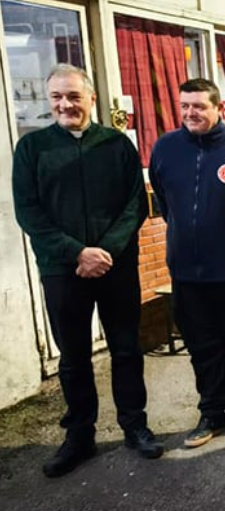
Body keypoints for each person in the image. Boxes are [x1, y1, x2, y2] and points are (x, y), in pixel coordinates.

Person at [12, 63, 163, 477]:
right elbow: (28, 211)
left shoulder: (117, 145)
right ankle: (79, 435)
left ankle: (135, 426)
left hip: (116, 266)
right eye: (57, 97)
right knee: (73, 356)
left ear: (92, 99)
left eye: (74, 96)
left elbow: (135, 204)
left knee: (126, 349)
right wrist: (77, 252)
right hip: (62, 270)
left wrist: (105, 251)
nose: (66, 104)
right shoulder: (32, 149)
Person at [149, 78, 225, 448]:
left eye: (199, 106)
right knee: (203, 348)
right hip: (186, 272)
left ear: (218, 107)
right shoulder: (165, 148)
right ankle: (211, 413)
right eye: (185, 105)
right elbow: (165, 202)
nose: (190, 113)